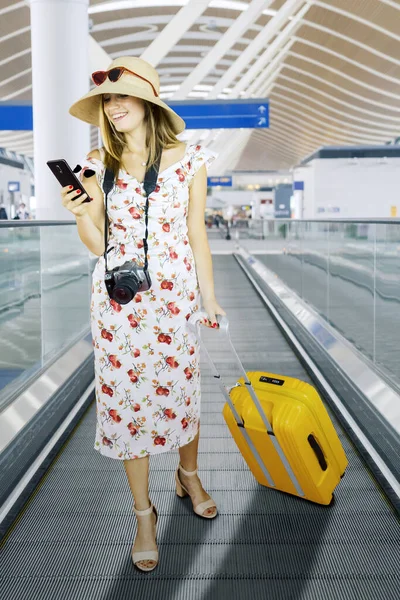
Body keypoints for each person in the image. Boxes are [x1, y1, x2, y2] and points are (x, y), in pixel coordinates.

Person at [64, 56, 226, 572]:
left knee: (182, 388)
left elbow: (197, 232)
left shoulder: (191, 158)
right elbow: (97, 243)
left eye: (121, 98)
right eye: (106, 102)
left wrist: (210, 297)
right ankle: (142, 514)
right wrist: (81, 213)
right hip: (119, 305)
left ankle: (189, 473)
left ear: (148, 103)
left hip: (176, 299)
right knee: (130, 402)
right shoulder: (95, 162)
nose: (112, 109)